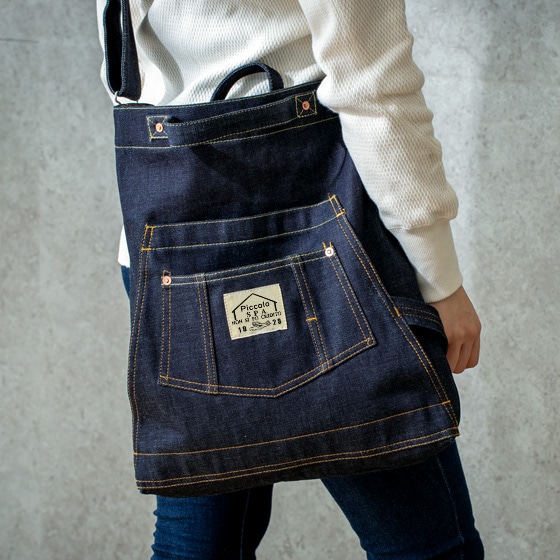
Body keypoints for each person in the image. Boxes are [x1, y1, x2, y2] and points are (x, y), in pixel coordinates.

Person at [98, 1, 483, 558]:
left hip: (168, 265)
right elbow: (374, 87)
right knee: (429, 547)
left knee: (200, 547)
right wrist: (439, 276)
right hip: (322, 247)